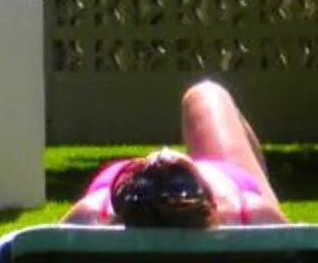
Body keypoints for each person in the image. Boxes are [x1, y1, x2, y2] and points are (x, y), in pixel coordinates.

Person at [63, 79, 286, 228]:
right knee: (206, 93)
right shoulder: (248, 211)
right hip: (232, 183)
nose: (163, 154)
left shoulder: (90, 213)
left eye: (143, 184)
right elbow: (305, 247)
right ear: (207, 200)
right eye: (180, 183)